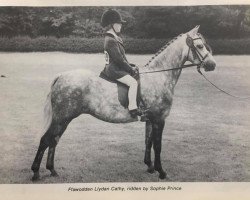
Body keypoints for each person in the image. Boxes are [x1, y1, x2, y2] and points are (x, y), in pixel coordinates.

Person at [100, 9, 146, 119]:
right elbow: (119, 60)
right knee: (133, 83)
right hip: (114, 70)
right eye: (118, 23)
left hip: (117, 67)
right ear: (112, 25)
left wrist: (131, 66)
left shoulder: (114, 38)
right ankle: (133, 108)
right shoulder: (110, 40)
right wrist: (130, 69)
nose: (120, 25)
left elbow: (122, 58)